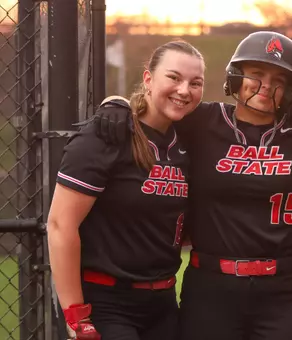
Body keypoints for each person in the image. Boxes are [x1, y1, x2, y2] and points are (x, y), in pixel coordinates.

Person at [94, 31, 292, 340]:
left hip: (284, 287)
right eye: (256, 74)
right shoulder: (200, 121)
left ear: (291, 90)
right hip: (211, 285)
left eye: (279, 79)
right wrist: (116, 102)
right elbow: (153, 108)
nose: (266, 85)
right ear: (236, 77)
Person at [47, 40, 205, 340]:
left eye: (195, 83)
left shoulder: (186, 140)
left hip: (163, 303)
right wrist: (76, 315)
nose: (184, 90)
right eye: (174, 77)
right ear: (148, 78)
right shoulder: (108, 134)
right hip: (106, 302)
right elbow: (59, 225)